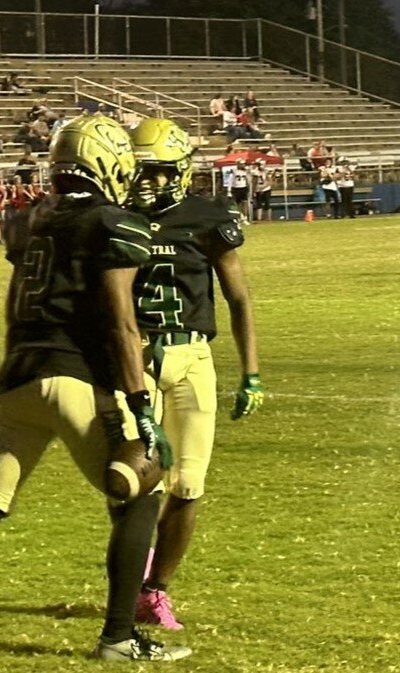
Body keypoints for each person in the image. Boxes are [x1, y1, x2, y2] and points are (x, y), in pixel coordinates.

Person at [0, 113, 189, 668]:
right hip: (72, 378)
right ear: (107, 163)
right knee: (141, 497)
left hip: (15, 377)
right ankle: (118, 636)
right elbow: (121, 323)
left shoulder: (29, 219)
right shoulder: (113, 223)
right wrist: (141, 406)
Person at [128, 117, 263, 629]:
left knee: (188, 483)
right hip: (134, 362)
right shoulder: (116, 216)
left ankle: (155, 590)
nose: (149, 182)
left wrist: (250, 371)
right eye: (142, 171)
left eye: (160, 172)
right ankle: (129, 576)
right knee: (138, 480)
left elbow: (239, 298)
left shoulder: (207, 217)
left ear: (181, 170)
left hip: (191, 356)